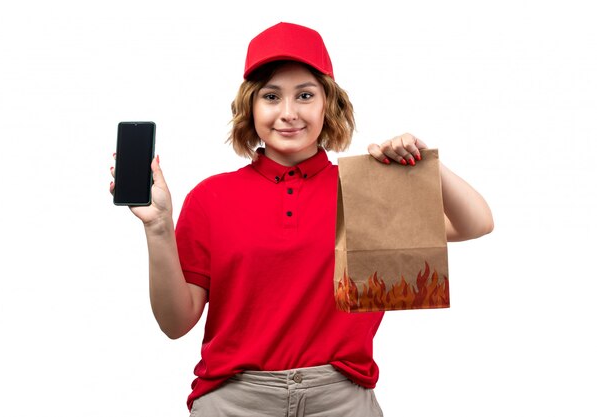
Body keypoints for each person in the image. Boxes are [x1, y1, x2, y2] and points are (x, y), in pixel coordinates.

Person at [109, 22, 493, 417]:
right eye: (271, 96)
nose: (288, 113)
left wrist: (424, 161)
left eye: (305, 95)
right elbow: (175, 323)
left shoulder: (364, 190)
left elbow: (476, 222)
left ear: (329, 104)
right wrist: (157, 228)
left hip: (342, 400)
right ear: (250, 108)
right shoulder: (211, 197)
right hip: (234, 401)